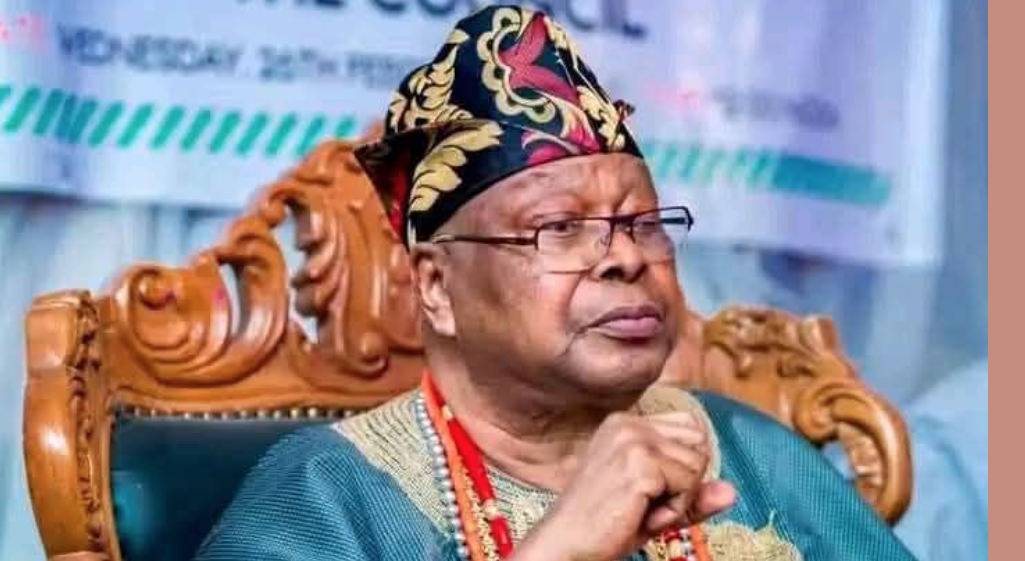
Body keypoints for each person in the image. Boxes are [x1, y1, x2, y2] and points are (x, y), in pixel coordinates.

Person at [194, 6, 916, 561]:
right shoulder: (325, 495)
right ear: (436, 286)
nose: (623, 258)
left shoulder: (742, 447)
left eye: (640, 223)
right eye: (558, 228)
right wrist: (562, 544)